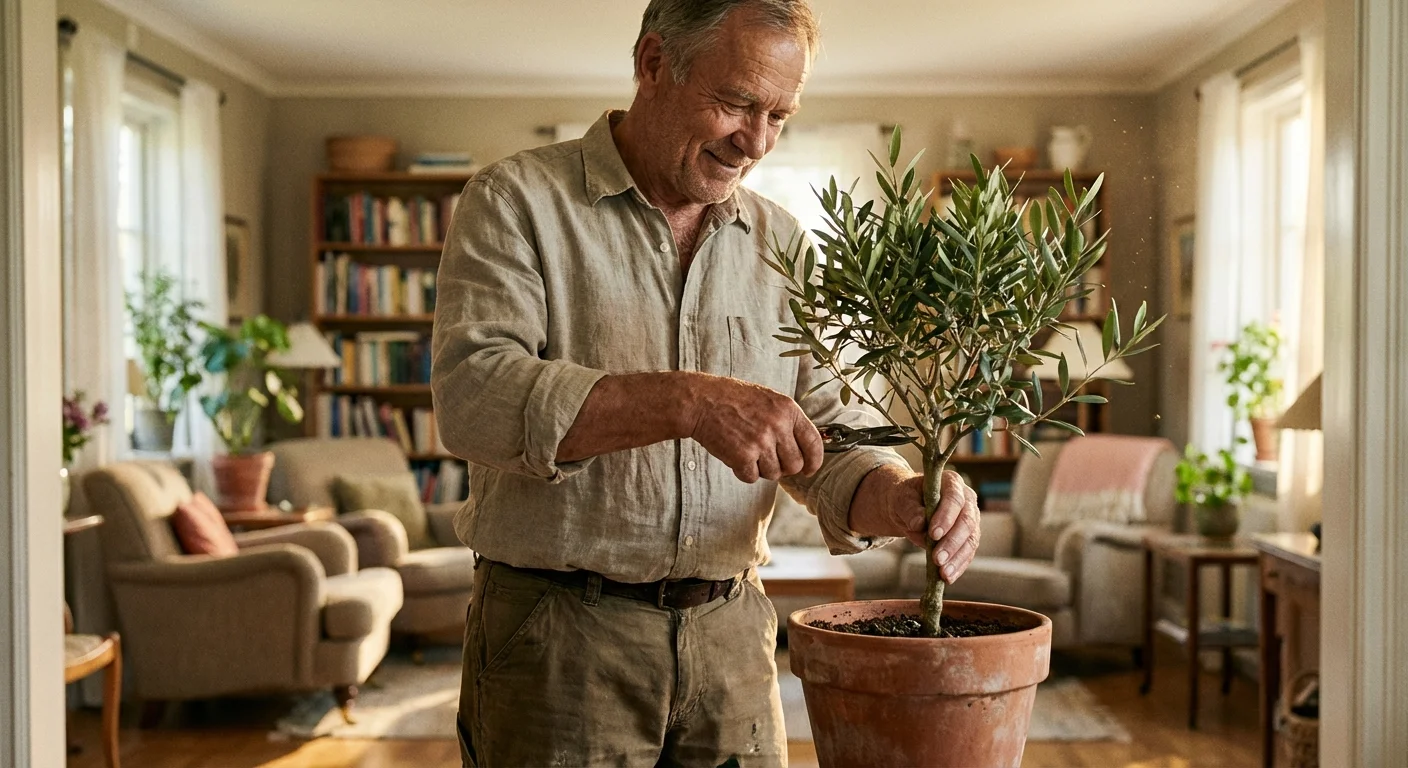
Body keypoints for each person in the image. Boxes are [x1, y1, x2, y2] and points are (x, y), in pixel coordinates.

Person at [431, 1, 981, 764]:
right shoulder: (514, 200)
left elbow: (828, 429)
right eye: (736, 104)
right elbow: (474, 398)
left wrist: (897, 494)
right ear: (654, 64)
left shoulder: (782, 242)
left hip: (733, 638)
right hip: (556, 637)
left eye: (779, 115)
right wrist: (687, 402)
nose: (754, 141)